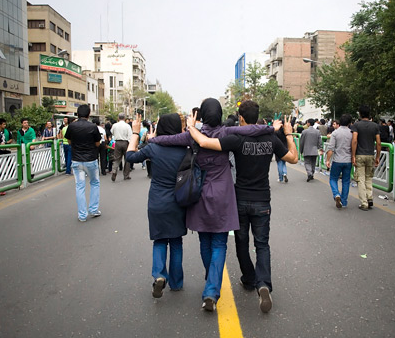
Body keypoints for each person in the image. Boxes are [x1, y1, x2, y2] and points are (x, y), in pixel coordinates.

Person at [148, 98, 274, 312]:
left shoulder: (192, 135)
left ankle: (211, 282)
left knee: (205, 241)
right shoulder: (228, 132)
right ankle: (211, 290)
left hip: (200, 192)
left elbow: (167, 140)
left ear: (203, 115)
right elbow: (251, 131)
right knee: (219, 243)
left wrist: (152, 139)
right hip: (223, 192)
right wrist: (269, 127)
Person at [185, 100, 298, 313]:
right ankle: (263, 284)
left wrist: (191, 126)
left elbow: (206, 142)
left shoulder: (236, 139)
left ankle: (248, 278)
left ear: (241, 118)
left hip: (240, 199)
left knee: (242, 243)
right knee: (262, 244)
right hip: (262, 200)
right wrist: (289, 134)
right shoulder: (271, 139)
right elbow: (293, 158)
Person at [125, 113, 188, 297]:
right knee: (176, 242)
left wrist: (136, 133)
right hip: (178, 200)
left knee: (160, 240)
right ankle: (176, 283)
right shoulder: (185, 149)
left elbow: (130, 156)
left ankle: (159, 275)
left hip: (157, 201)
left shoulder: (153, 148)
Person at [64, 105, 102, 222]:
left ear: (77, 114)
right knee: (94, 183)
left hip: (76, 160)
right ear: (89, 114)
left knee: (80, 187)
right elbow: (97, 144)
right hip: (91, 159)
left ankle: (82, 215)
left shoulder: (71, 126)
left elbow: (69, 141)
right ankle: (93, 209)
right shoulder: (93, 127)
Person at [351, 105, 381, 211]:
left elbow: (354, 140)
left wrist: (353, 156)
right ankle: (370, 198)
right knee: (369, 178)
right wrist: (377, 156)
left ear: (360, 114)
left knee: (361, 179)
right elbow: (378, 143)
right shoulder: (375, 126)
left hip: (360, 155)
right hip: (370, 155)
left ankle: (364, 203)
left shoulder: (356, 125)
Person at [326, 114, 353, 209]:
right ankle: (344, 202)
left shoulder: (335, 133)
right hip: (348, 160)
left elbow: (331, 148)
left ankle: (336, 194)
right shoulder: (352, 133)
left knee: (333, 179)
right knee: (346, 181)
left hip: (337, 160)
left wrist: (328, 160)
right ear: (350, 123)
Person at [110, 112, 133, 182]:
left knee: (116, 158)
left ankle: (114, 171)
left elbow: (112, 132)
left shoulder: (114, 125)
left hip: (117, 142)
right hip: (126, 142)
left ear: (118, 118)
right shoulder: (127, 126)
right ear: (125, 118)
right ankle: (126, 175)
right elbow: (130, 136)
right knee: (127, 159)